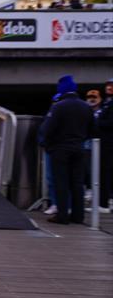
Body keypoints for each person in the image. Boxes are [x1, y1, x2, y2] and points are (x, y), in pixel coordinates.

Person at [40, 75, 94, 224]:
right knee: (77, 183)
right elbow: (93, 130)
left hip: (60, 149)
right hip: (78, 148)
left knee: (61, 182)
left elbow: (47, 129)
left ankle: (62, 215)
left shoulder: (58, 106)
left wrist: (48, 145)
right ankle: (78, 216)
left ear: (62, 89)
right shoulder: (86, 107)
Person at [95, 79, 113, 212]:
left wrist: (97, 122)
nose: (109, 87)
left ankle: (104, 204)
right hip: (104, 142)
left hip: (109, 142)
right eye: (108, 85)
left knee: (106, 172)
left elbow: (110, 123)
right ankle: (106, 201)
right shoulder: (107, 103)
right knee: (104, 172)